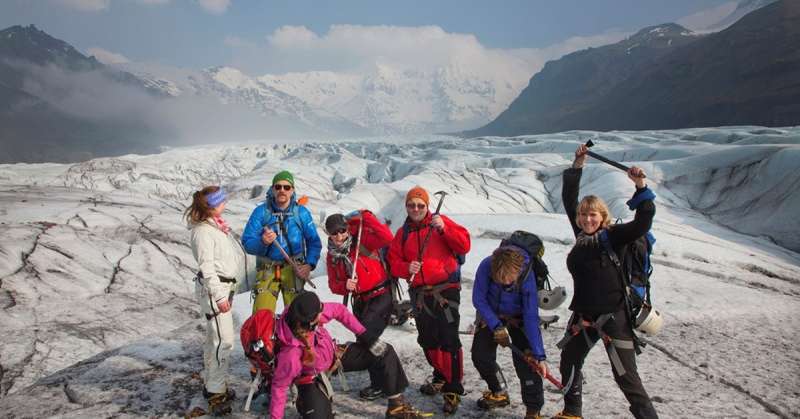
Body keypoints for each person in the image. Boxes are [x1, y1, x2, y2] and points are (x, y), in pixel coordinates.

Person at [552, 144, 659, 419]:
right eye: (583, 215)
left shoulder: (614, 236)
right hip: (584, 315)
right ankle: (572, 413)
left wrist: (640, 186)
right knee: (570, 361)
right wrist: (578, 165)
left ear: (602, 217)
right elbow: (568, 197)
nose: (587, 219)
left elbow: (643, 222)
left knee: (626, 378)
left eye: (593, 215)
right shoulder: (582, 237)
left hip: (614, 317)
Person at [269, 292, 428, 419]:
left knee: (383, 351)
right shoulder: (290, 355)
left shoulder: (306, 316)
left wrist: (365, 335)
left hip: (334, 357)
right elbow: (279, 387)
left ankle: (396, 406)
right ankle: (305, 401)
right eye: (320, 310)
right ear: (310, 322)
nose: (323, 310)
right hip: (311, 378)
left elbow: (339, 310)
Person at [387, 186, 471, 415]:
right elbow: (393, 261)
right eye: (411, 204)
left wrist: (445, 230)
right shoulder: (402, 233)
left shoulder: (440, 223)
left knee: (449, 338)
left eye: (420, 205)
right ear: (406, 206)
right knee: (427, 338)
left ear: (427, 206)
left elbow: (464, 245)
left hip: (446, 290)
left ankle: (453, 387)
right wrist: (406, 267)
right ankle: (441, 376)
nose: (416, 209)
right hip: (420, 294)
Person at [324, 209, 395, 400]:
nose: (339, 236)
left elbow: (387, 237)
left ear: (348, 229)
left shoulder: (363, 241)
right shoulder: (332, 256)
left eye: (342, 230)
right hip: (359, 301)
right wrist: (344, 286)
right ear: (329, 234)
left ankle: (380, 384)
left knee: (367, 337)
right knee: (365, 341)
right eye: (334, 232)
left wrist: (366, 216)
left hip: (380, 295)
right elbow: (333, 284)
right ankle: (381, 381)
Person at [185, 186, 243, 415]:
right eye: (222, 200)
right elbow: (207, 267)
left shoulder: (213, 226)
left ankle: (212, 385)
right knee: (224, 341)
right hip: (215, 290)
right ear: (214, 204)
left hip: (221, 287)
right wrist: (219, 296)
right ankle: (216, 392)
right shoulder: (203, 232)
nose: (226, 202)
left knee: (214, 339)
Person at [471, 245, 548, 419]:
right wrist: (496, 326)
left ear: (518, 271)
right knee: (480, 355)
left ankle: (533, 410)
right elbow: (479, 298)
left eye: (509, 279)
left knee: (528, 363)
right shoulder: (486, 266)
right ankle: (499, 391)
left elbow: (530, 315)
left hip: (519, 316)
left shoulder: (527, 275)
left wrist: (538, 354)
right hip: (491, 313)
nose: (505, 282)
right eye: (500, 279)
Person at [242, 170, 322, 313]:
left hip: (294, 268)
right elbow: (247, 242)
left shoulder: (301, 213)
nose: (282, 190)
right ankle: (263, 335)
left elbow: (314, 242)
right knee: (262, 317)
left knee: (297, 316)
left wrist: (309, 265)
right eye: (278, 187)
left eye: (286, 187)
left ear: (292, 190)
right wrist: (263, 242)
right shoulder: (261, 212)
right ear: (272, 189)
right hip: (267, 268)